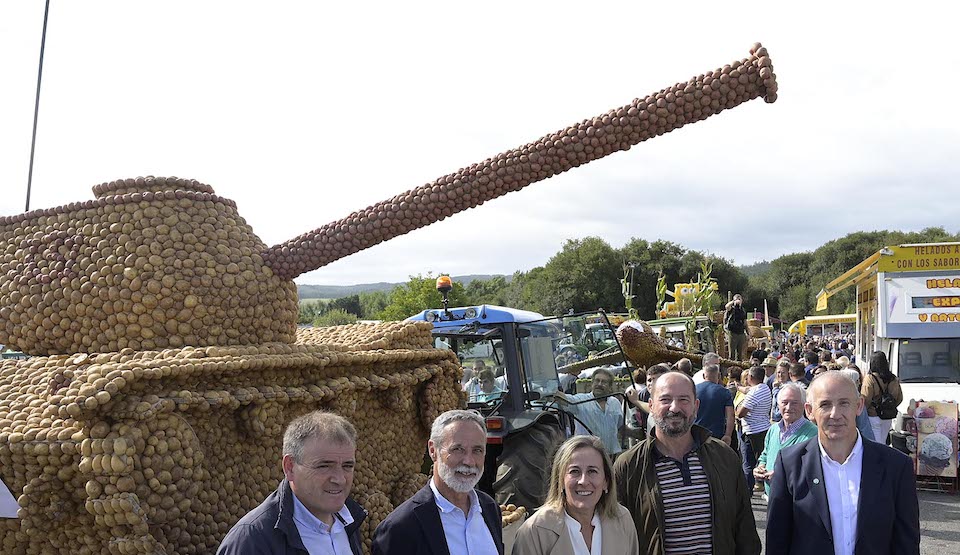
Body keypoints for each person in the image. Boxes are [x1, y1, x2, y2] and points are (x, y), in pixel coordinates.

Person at [766, 372, 920, 554]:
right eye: (825, 404)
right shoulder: (789, 464)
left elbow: (906, 543)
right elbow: (777, 540)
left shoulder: (896, 466)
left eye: (844, 403)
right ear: (809, 411)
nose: (835, 414)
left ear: (859, 405)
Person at [613, 372, 761, 555]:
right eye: (665, 399)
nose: (674, 408)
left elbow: (745, 528)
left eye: (683, 400)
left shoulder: (725, 458)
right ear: (651, 406)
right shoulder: (629, 466)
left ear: (695, 406)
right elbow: (617, 535)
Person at [217, 411, 367, 555]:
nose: (339, 479)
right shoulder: (253, 540)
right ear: (289, 467)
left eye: (347, 466)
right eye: (324, 466)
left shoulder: (349, 522)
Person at [372, 410, 503, 555]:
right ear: (433, 450)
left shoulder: (490, 509)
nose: (469, 461)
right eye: (458, 449)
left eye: (477, 450)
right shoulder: (400, 528)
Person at [513, 436, 639, 555]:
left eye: (592, 471)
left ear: (606, 481)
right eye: (574, 471)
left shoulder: (623, 520)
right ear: (560, 481)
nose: (583, 481)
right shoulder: (535, 532)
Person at [753, 383, 817, 499]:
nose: (788, 407)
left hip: (797, 501)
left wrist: (781, 476)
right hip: (772, 497)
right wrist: (760, 467)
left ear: (804, 405)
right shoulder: (773, 429)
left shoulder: (813, 434)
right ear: (778, 404)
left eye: (794, 403)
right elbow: (765, 455)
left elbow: (813, 469)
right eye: (784, 402)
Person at [551, 368, 625, 457]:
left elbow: (620, 427)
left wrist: (637, 432)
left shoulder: (615, 403)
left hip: (611, 456)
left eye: (604, 382)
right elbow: (565, 399)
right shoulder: (581, 400)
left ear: (610, 387)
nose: (599, 384)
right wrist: (551, 389)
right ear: (592, 383)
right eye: (597, 381)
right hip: (586, 455)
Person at [735, 366, 772, 492]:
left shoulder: (754, 393)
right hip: (763, 428)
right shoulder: (765, 388)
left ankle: (746, 491)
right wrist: (738, 387)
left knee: (748, 463)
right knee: (760, 461)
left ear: (750, 377)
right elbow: (747, 390)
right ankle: (761, 486)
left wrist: (736, 410)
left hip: (752, 431)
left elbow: (740, 413)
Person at [861, 351, 903, 444]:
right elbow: (900, 398)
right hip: (888, 415)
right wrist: (890, 405)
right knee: (883, 440)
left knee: (876, 442)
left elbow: (865, 399)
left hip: (873, 415)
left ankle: (879, 458)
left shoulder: (870, 378)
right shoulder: (893, 378)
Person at [694, 364, 735, 445]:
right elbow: (731, 415)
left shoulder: (694, 390)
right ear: (719, 375)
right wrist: (728, 435)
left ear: (703, 375)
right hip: (716, 435)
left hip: (696, 433)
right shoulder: (725, 392)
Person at [839, 367, 876, 442]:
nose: (859, 383)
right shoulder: (856, 399)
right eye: (857, 380)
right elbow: (864, 427)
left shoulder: (836, 397)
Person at [724, 294, 749, 361]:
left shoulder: (743, 310)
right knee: (732, 354)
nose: (738, 301)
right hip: (733, 333)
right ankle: (731, 367)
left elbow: (745, 322)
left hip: (741, 333)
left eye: (739, 299)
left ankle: (739, 368)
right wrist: (734, 301)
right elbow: (726, 306)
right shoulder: (731, 309)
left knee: (740, 354)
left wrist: (748, 333)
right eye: (737, 299)